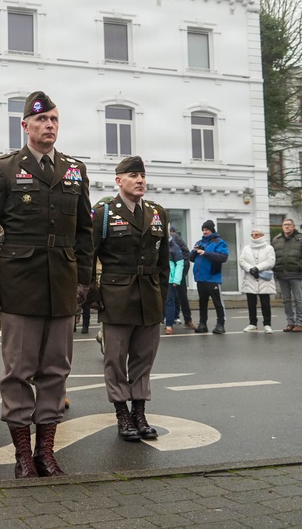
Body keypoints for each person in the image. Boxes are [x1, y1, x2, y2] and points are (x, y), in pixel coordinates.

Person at [0, 91, 93, 479]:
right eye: (41, 120)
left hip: (62, 284)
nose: (49, 126)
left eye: (54, 119)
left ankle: (47, 451)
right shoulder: (6, 169)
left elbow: (85, 235)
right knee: (18, 372)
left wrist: (84, 281)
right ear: (25, 126)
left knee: (56, 370)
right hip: (19, 286)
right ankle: (23, 453)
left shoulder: (75, 170)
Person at [88, 156, 168, 442]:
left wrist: (162, 298)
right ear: (118, 180)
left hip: (149, 297)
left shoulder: (157, 212)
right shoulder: (105, 212)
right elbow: (89, 255)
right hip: (116, 296)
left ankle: (140, 412)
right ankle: (122, 414)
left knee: (144, 359)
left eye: (143, 175)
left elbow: (164, 261)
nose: (140, 180)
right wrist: (94, 295)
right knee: (115, 359)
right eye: (133, 175)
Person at [271, 219, 302, 332]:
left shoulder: (301, 239)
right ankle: (290, 322)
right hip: (281, 273)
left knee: (298, 299)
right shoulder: (276, 240)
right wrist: (275, 267)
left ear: (293, 226)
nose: (287, 227)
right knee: (286, 300)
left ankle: (299, 323)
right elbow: (272, 255)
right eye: (285, 225)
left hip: (296, 273)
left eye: (289, 225)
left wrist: (300, 266)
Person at [190, 220, 229, 334]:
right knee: (202, 302)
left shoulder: (219, 242)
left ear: (212, 230)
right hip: (200, 278)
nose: (204, 232)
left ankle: (220, 324)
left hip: (212, 277)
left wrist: (205, 252)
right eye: (203, 230)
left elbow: (223, 257)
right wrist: (194, 251)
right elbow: (192, 259)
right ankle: (202, 324)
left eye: (206, 230)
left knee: (217, 303)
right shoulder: (200, 242)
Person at [239, 228, 276, 333]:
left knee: (265, 303)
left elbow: (271, 261)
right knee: (251, 303)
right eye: (252, 234)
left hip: (264, 278)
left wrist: (258, 268)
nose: (254, 236)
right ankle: (252, 323)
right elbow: (241, 261)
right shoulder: (246, 248)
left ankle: (267, 324)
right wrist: (250, 268)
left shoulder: (269, 248)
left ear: (262, 235)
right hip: (250, 277)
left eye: (257, 234)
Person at [168, 225, 194, 329]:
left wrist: (182, 272)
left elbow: (185, 254)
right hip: (169, 273)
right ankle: (170, 318)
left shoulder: (174, 237)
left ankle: (188, 320)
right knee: (170, 297)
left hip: (179, 271)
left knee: (182, 296)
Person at [163, 238, 184, 335]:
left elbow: (180, 264)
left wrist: (176, 280)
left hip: (169, 280)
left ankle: (169, 325)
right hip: (158, 279)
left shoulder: (175, 247)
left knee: (169, 302)